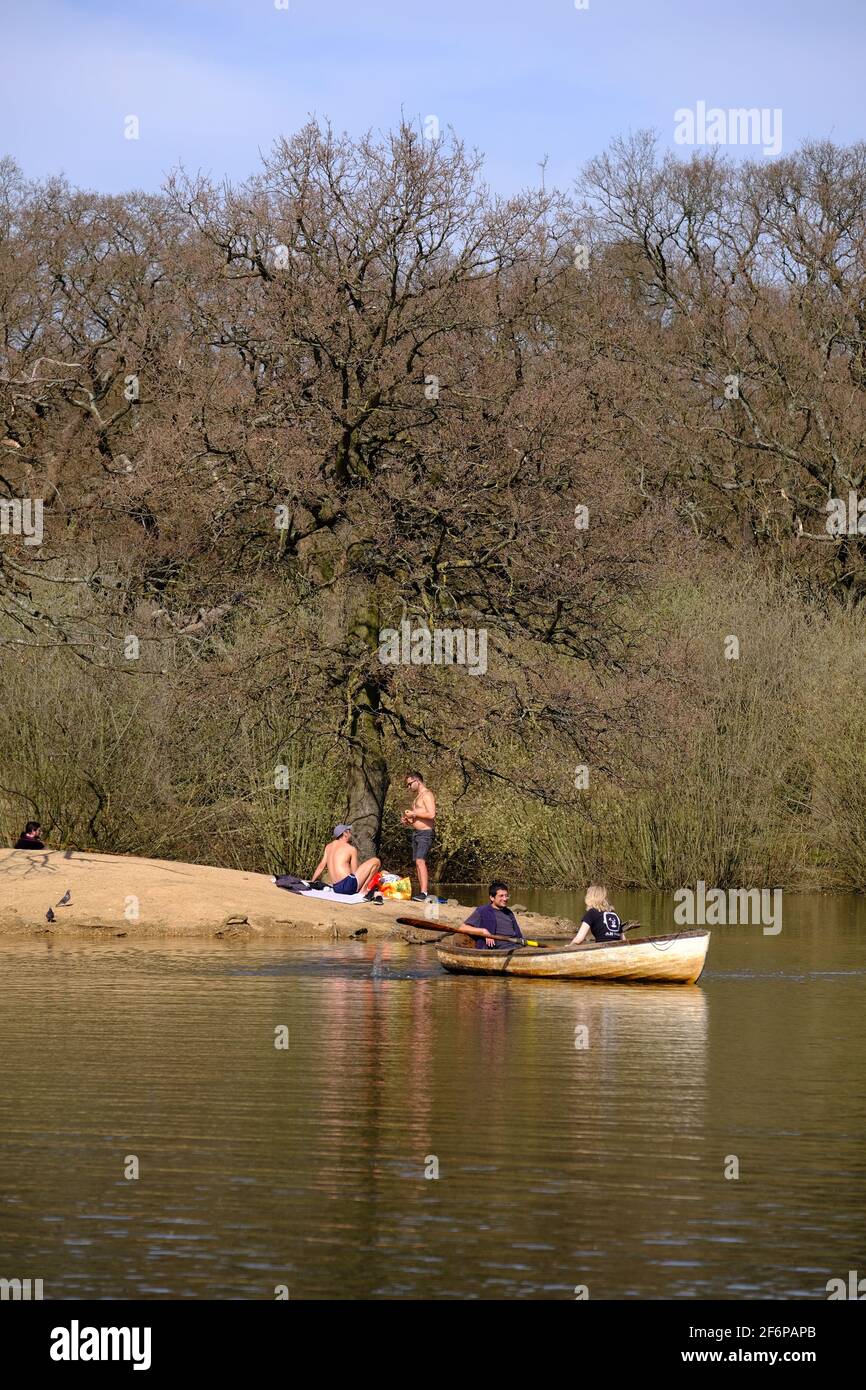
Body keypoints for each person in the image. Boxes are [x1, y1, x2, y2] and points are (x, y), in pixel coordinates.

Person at [310, 824, 381, 896]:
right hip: (348, 886)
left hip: (336, 888)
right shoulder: (350, 849)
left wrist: (312, 881)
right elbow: (354, 872)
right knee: (376, 861)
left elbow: (321, 866)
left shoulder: (328, 847)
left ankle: (361, 889)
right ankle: (363, 890)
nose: (350, 833)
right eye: (349, 831)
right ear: (345, 833)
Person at [401, 771, 436, 901]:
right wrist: (408, 821)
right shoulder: (417, 798)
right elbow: (418, 819)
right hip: (417, 833)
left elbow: (431, 814)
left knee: (421, 860)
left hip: (425, 833)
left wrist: (414, 814)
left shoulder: (427, 795)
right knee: (417, 862)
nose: (409, 787)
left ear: (417, 781)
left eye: (410, 784)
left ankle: (424, 893)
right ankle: (422, 892)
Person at [461, 881, 526, 950]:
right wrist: (483, 931)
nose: (505, 899)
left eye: (506, 895)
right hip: (497, 948)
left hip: (515, 945)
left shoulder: (509, 912)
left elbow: (518, 935)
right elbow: (462, 928)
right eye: (501, 896)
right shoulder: (482, 911)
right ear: (492, 897)